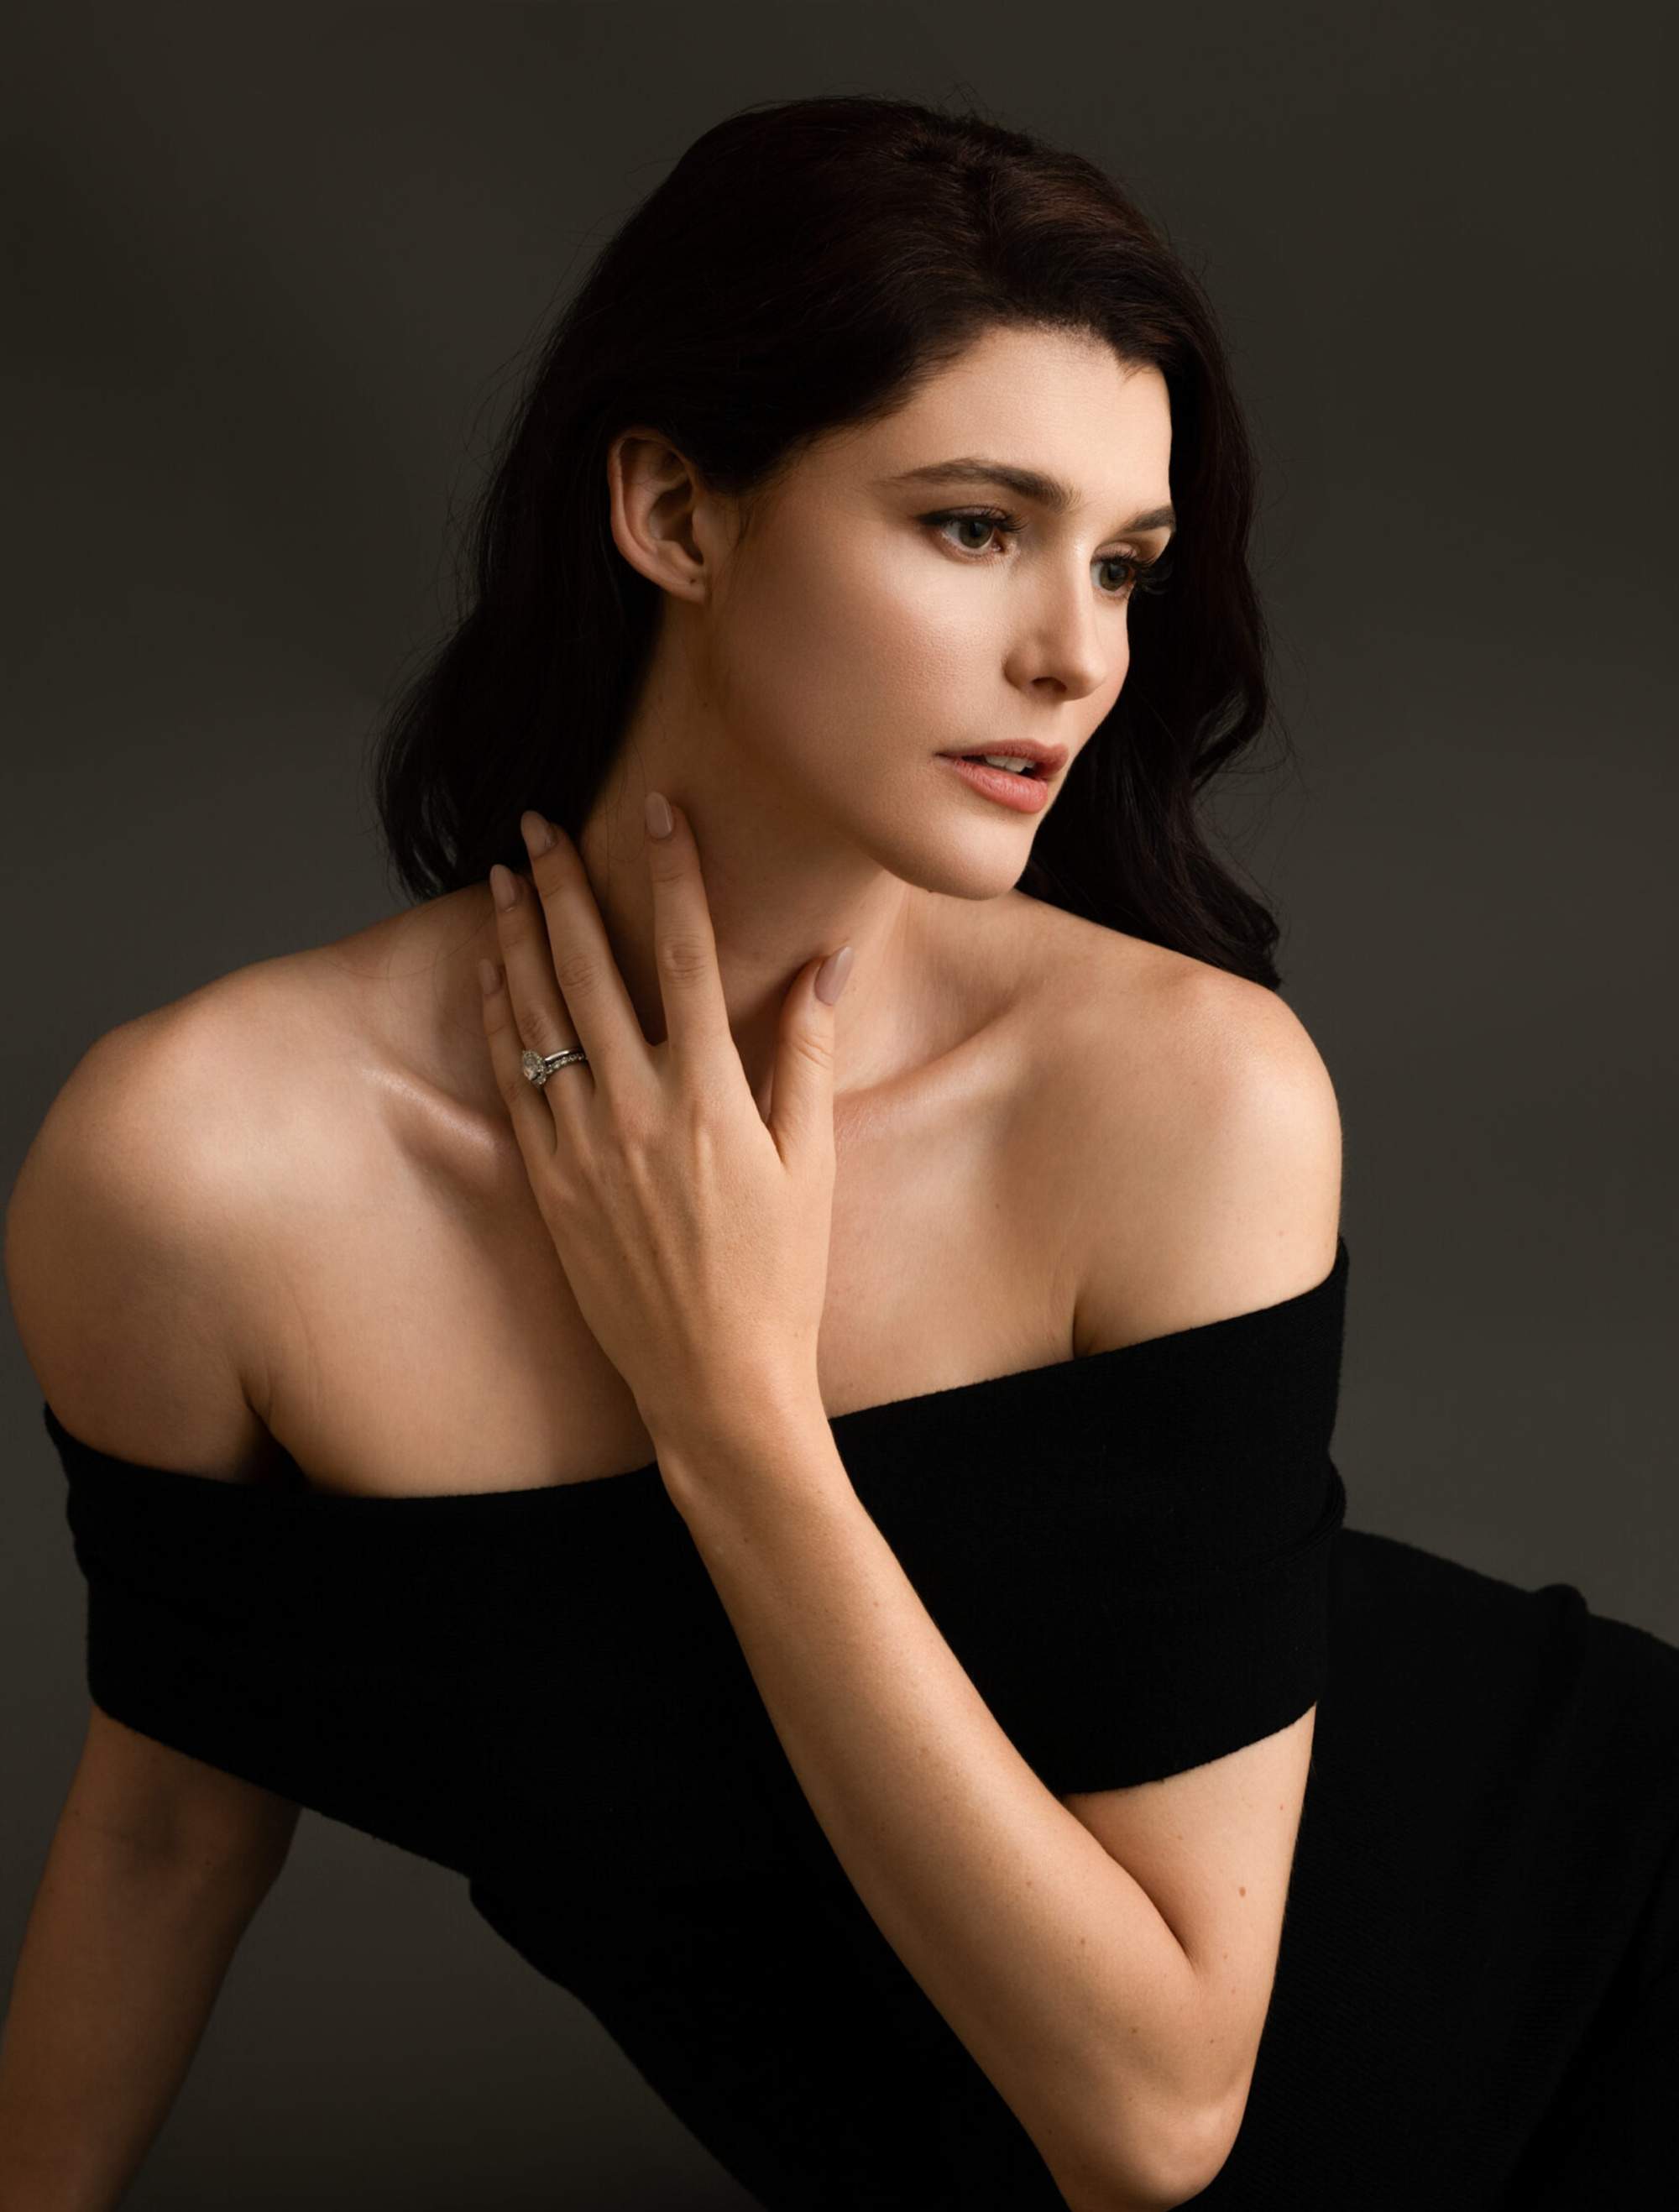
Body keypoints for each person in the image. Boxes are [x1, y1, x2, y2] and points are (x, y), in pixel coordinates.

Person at [0, 94, 1673, 2212]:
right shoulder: (198, 1175)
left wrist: (734, 1415)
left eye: (1124, 562)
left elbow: (1150, 2118)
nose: (1077, 655)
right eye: (974, 524)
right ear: (676, 512)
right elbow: (169, 1813)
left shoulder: (1182, 1093)